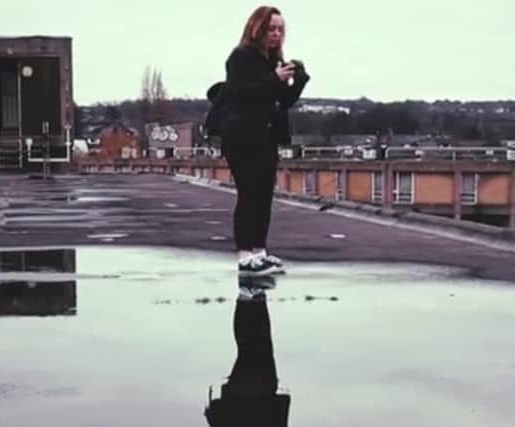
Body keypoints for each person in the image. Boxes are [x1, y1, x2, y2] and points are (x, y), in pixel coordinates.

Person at [221, 5, 310, 276]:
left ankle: (260, 251)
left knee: (263, 197)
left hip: (266, 138)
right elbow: (242, 94)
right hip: (242, 138)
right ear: (257, 29)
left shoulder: (273, 59)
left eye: (280, 29)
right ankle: (245, 255)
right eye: (271, 28)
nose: (276, 34)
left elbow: (281, 101)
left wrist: (299, 80)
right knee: (249, 195)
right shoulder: (240, 57)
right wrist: (274, 78)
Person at [204, 276, 290, 427]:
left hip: (257, 396)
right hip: (242, 398)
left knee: (256, 346)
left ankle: (252, 288)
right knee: (252, 347)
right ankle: (250, 289)